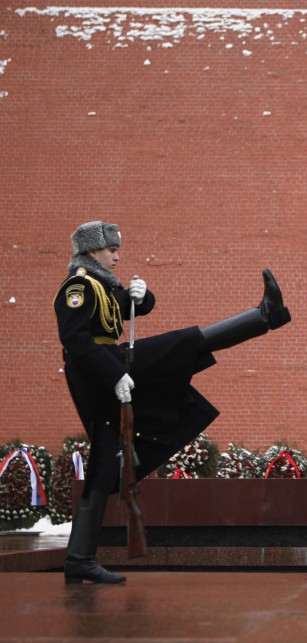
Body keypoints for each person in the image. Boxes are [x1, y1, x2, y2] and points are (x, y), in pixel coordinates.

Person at [54, 221, 291, 584]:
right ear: (90, 251)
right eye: (111, 249)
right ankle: (263, 317)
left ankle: (79, 559)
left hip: (111, 364)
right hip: (97, 373)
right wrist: (113, 376)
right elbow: (76, 340)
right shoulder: (78, 286)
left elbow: (134, 309)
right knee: (179, 346)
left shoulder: (102, 285)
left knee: (106, 458)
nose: (117, 255)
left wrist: (142, 296)